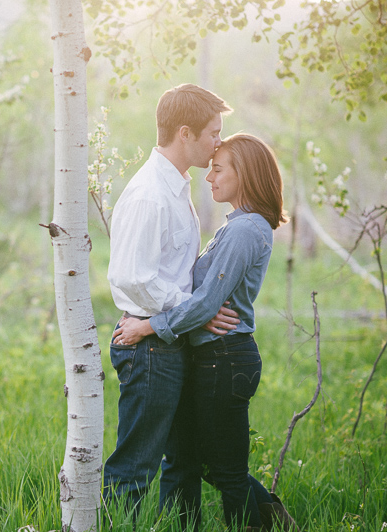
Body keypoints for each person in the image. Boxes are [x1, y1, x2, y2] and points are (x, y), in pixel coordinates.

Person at [113, 133, 299, 531]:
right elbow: (204, 300)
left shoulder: (245, 230)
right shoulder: (237, 226)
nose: (209, 177)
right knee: (198, 461)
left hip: (224, 358)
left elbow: (206, 302)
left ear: (244, 174)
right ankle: (269, 516)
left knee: (226, 471)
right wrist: (197, 311)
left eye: (218, 169)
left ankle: (270, 520)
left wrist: (147, 326)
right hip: (214, 356)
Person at [103, 83, 239, 523]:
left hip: (169, 339)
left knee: (184, 462)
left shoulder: (175, 187)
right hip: (148, 348)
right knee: (134, 468)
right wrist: (197, 308)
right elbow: (133, 277)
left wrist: (191, 311)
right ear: (185, 133)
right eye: (213, 132)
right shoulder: (150, 194)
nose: (218, 141)